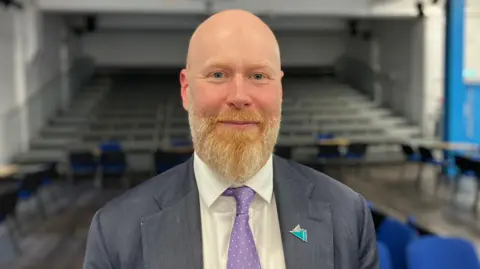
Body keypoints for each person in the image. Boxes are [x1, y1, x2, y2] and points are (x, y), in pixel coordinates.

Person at [83, 9, 379, 269]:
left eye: (259, 76)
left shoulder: (348, 215)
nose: (239, 96)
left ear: (280, 90)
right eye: (218, 74)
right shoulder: (116, 232)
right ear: (186, 90)